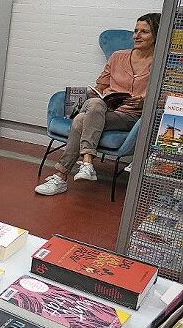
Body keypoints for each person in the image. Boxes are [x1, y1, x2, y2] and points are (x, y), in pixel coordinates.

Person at [35, 13, 161, 196]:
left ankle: (68, 172)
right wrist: (93, 94)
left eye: (144, 32)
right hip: (106, 109)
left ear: (156, 35)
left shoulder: (161, 63)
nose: (137, 36)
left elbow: (165, 97)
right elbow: (100, 86)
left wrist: (144, 100)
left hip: (131, 117)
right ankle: (82, 166)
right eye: (135, 31)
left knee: (80, 120)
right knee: (94, 103)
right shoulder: (118, 57)